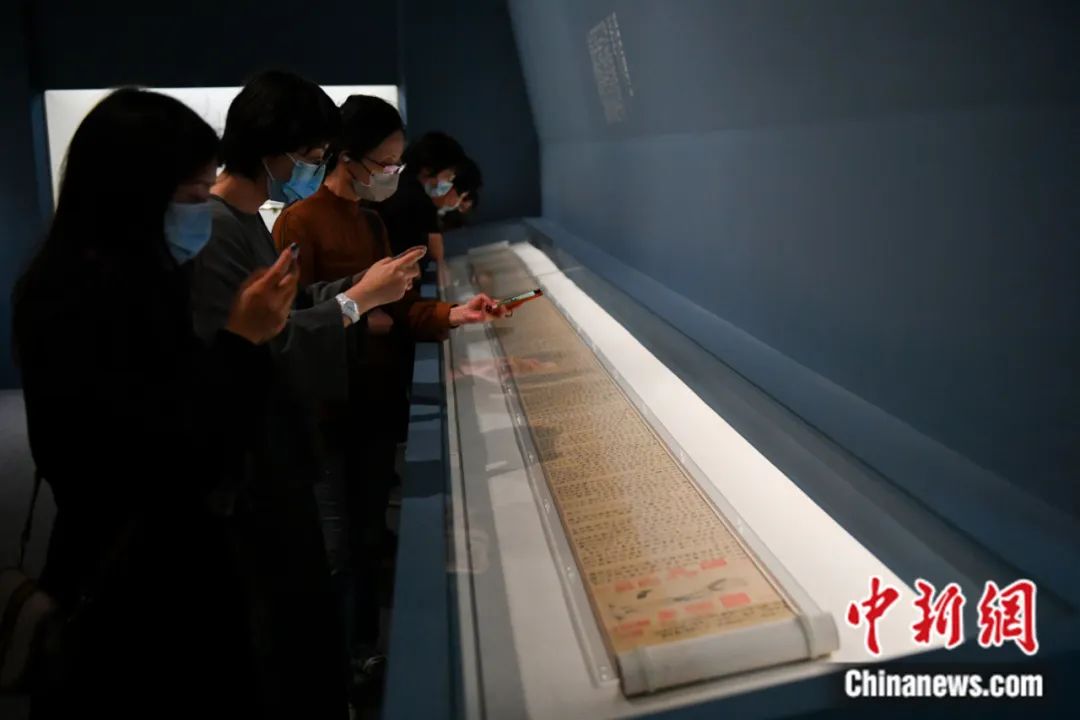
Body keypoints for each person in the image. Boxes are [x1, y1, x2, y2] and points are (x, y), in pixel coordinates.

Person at [12, 89, 298, 718]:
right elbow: (170, 453)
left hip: (159, 563)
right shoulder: (84, 302)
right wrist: (242, 340)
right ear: (135, 194)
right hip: (136, 589)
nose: (204, 208)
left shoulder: (131, 279)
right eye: (193, 194)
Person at [187, 72, 424, 719]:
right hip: (259, 457)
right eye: (314, 153)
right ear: (277, 148)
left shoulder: (241, 222)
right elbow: (261, 344)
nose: (317, 165)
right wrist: (354, 302)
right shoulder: (219, 229)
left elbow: (284, 311)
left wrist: (359, 290)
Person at [271, 95, 505, 690]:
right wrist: (360, 315)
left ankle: (363, 651)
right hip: (327, 408)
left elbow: (397, 309)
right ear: (347, 158)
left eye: (398, 164)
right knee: (335, 545)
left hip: (373, 403)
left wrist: (452, 313)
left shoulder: (372, 222)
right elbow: (292, 325)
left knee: (369, 535)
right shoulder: (297, 223)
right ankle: (328, 665)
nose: (393, 175)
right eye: (385, 163)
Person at [376, 131, 468, 266]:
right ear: (429, 169)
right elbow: (424, 256)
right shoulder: (420, 201)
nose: (449, 180)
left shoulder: (396, 183)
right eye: (449, 174)